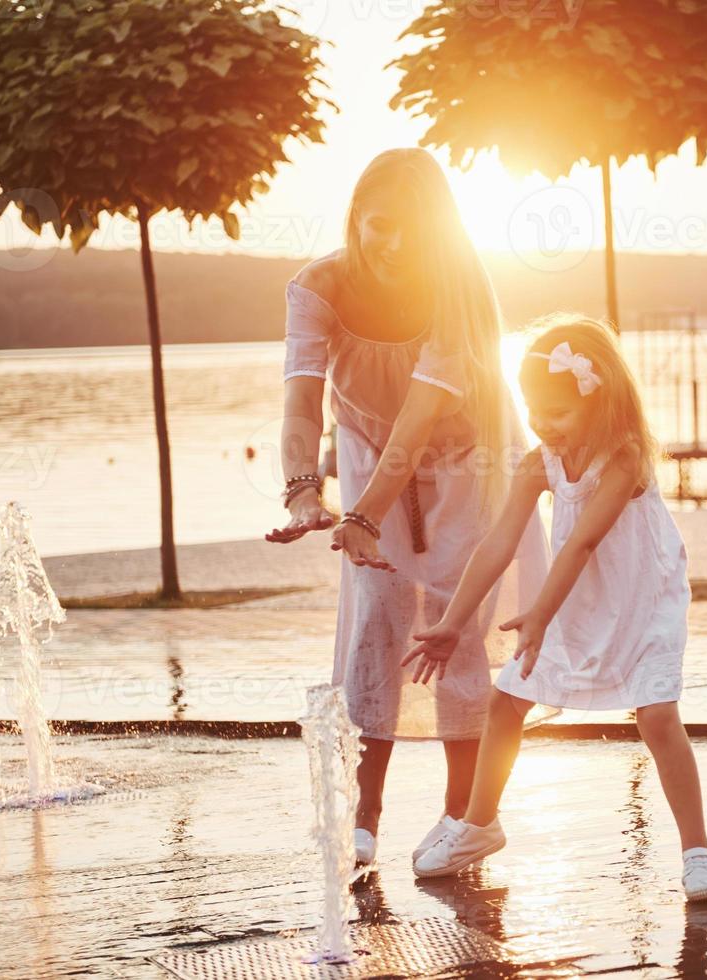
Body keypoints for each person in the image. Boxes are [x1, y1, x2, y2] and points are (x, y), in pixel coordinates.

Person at [266, 148, 547, 868]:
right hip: (365, 448)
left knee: (454, 627)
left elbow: (420, 422)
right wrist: (303, 488)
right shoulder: (317, 285)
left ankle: (462, 820)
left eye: (412, 231)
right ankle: (365, 819)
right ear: (355, 217)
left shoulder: (457, 293)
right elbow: (301, 392)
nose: (392, 244)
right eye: (378, 225)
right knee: (377, 622)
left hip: (465, 457)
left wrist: (361, 516)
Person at [401, 315, 707, 901]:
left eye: (557, 412)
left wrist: (540, 615)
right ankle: (479, 825)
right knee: (505, 702)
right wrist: (452, 622)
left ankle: (698, 851)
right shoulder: (540, 461)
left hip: (643, 596)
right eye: (532, 411)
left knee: (655, 715)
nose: (542, 425)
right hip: (573, 598)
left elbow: (582, 543)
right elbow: (497, 542)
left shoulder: (624, 457)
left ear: (599, 403)